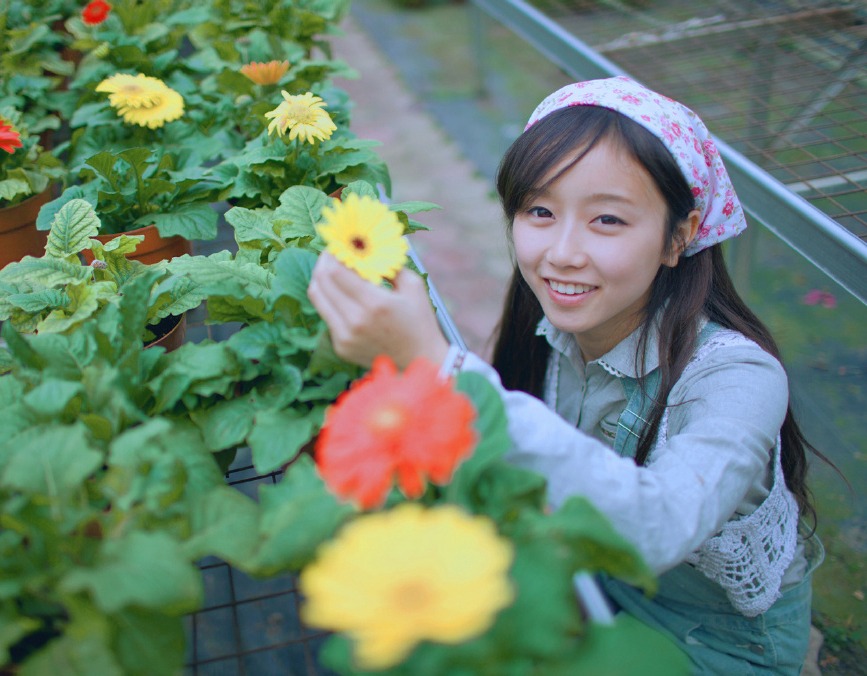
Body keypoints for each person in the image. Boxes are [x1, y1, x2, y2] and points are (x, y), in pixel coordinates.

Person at [307, 76, 824, 675]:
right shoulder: (552, 329)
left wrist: (438, 367)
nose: (561, 252)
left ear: (678, 237)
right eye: (540, 211)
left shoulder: (739, 377)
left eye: (607, 220)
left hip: (719, 645)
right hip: (596, 588)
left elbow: (657, 529)